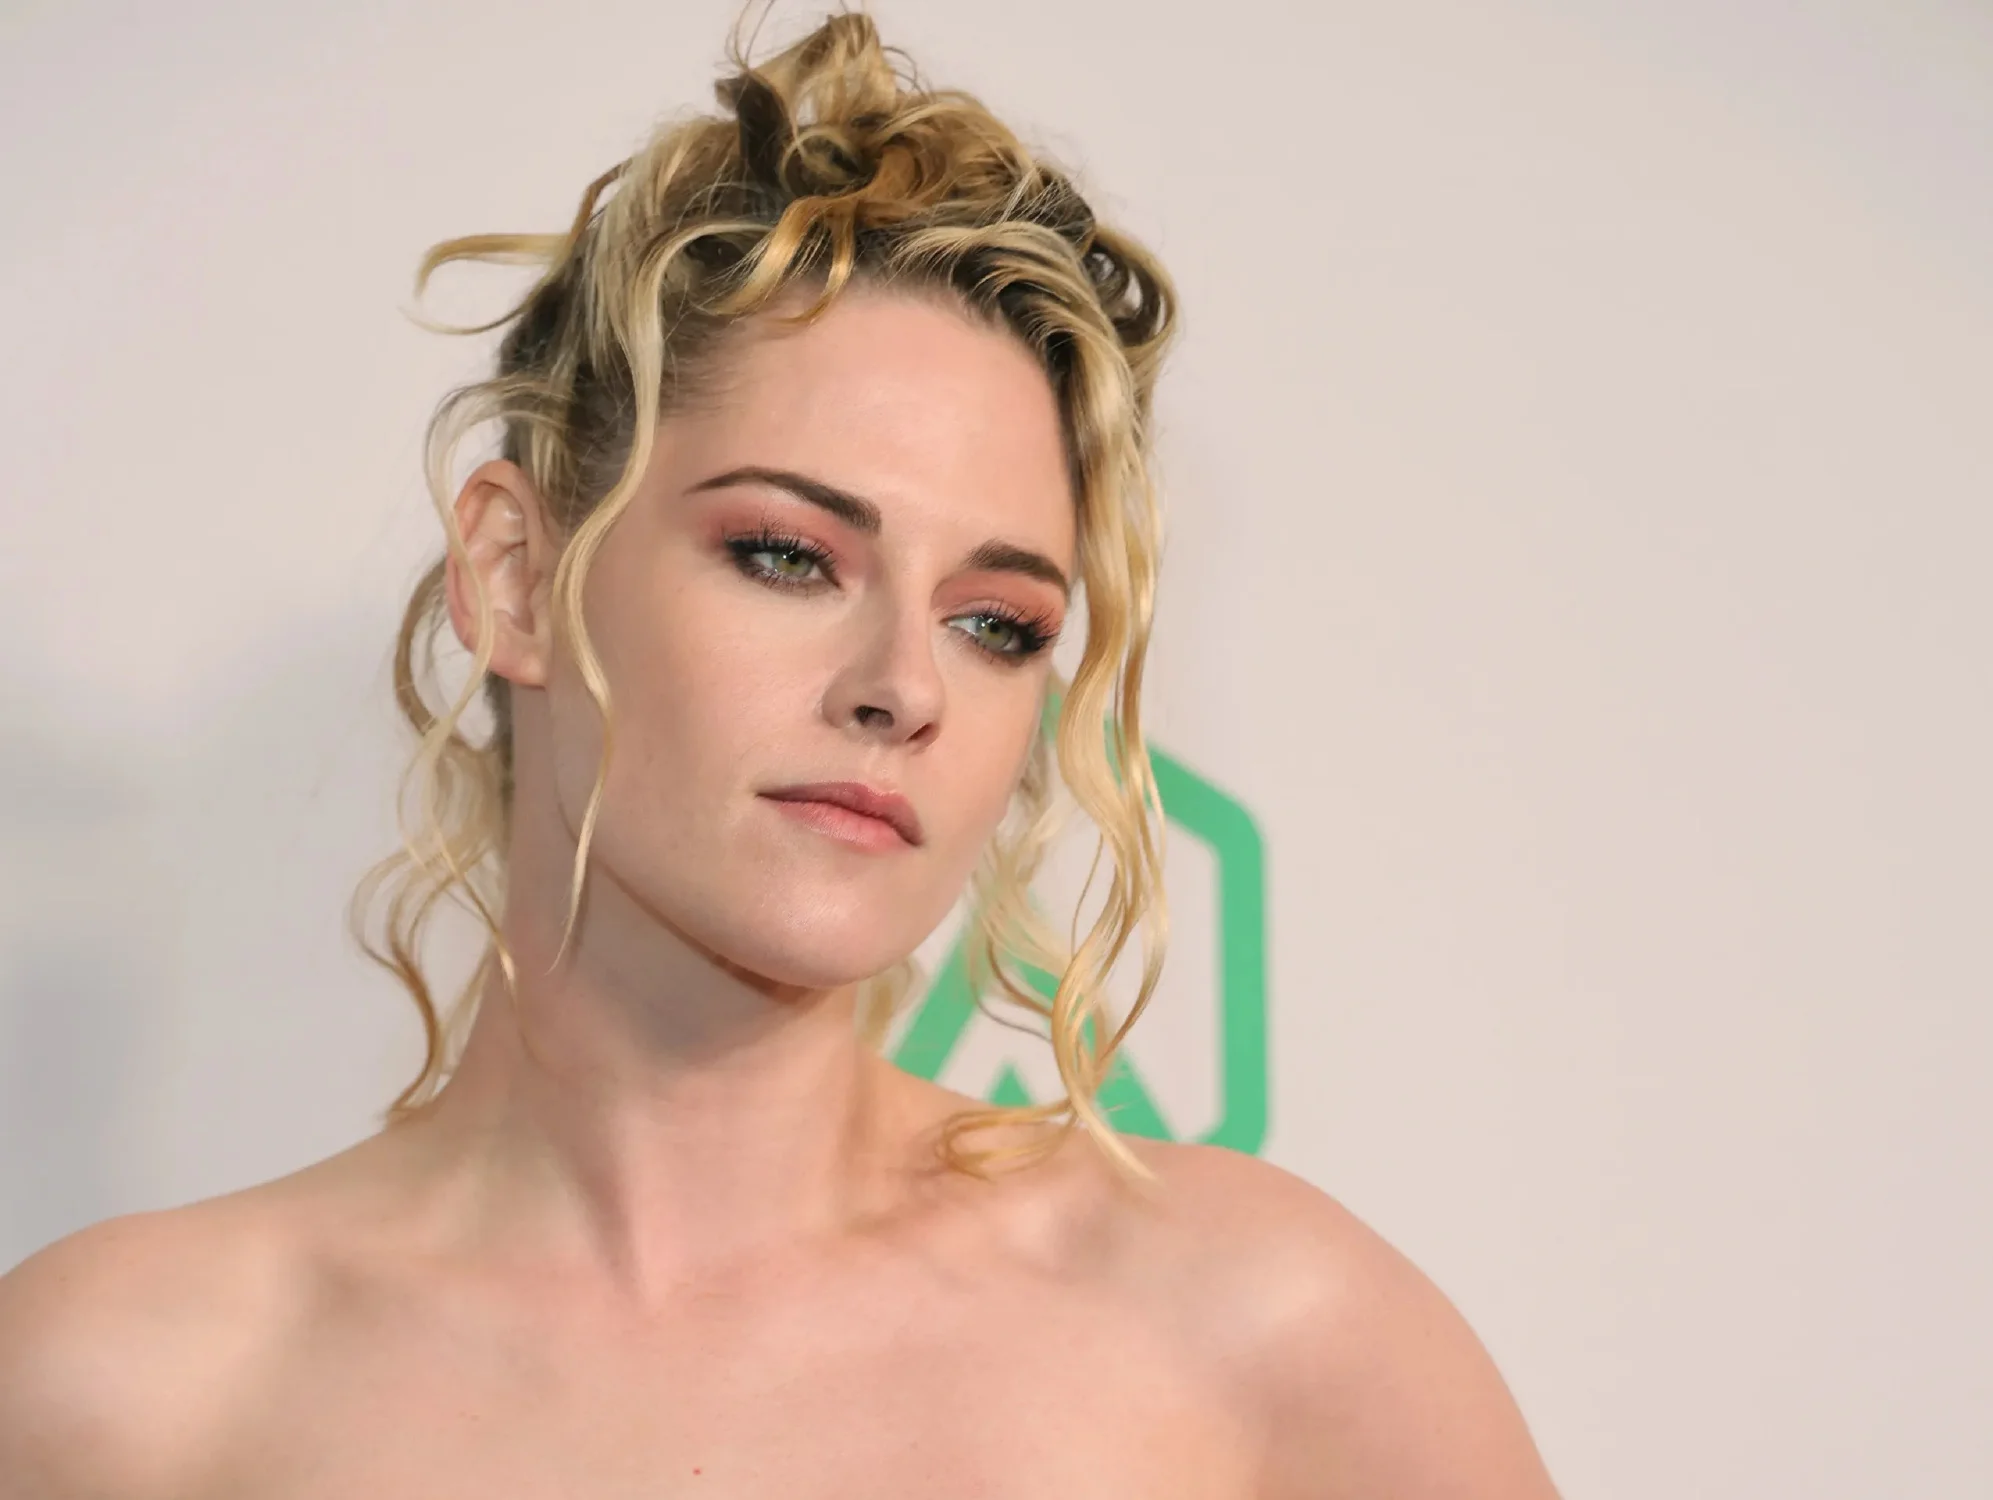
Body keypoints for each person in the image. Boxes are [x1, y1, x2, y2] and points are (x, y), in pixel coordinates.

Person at [0, 12, 1561, 1497]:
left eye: (997, 623)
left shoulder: (1261, 1336)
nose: (904, 687)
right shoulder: (118, 1394)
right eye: (786, 554)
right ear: (516, 576)